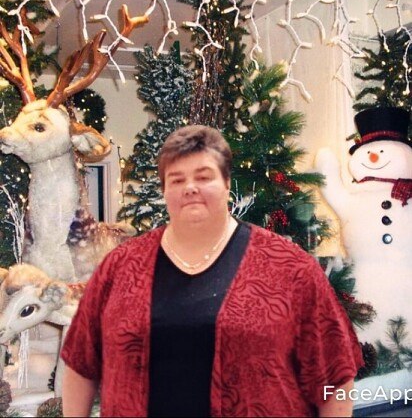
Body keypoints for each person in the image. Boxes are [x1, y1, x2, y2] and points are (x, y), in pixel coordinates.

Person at [61, 125, 363, 417]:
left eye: (203, 176)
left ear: (227, 183)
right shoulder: (120, 267)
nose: (190, 188)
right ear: (164, 190)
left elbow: (336, 377)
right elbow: (80, 363)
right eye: (177, 180)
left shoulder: (290, 268)